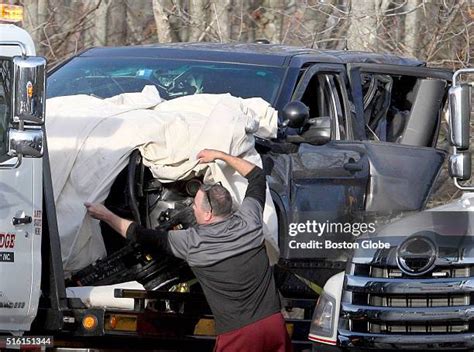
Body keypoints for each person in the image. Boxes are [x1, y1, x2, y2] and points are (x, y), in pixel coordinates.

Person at [85, 149, 292, 352]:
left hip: (238, 335)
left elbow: (139, 234)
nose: (192, 208)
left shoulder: (192, 243)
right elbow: (256, 175)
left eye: (196, 205)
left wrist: (105, 215)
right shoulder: (250, 220)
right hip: (273, 324)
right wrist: (220, 155)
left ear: (209, 214)